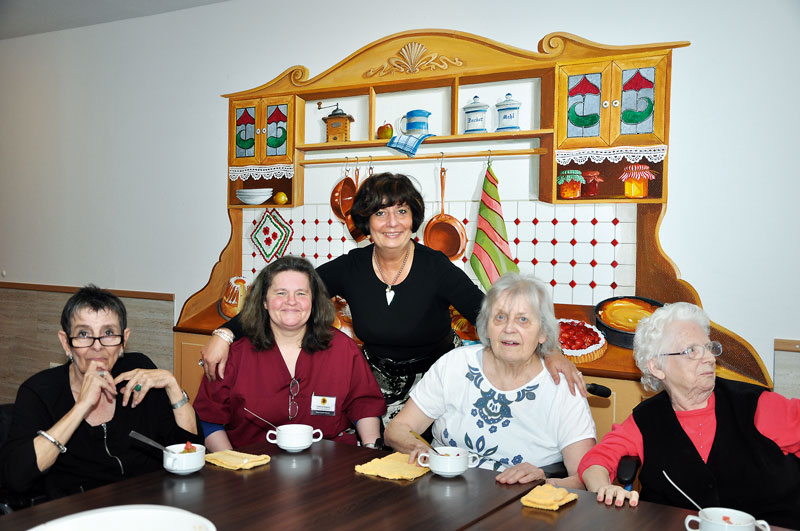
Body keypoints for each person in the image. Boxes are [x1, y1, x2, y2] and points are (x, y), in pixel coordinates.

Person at [201, 173, 584, 422]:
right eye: (381, 213)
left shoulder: (435, 266)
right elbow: (284, 299)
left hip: (437, 379)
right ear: (366, 221)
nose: (392, 223)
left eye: (401, 211)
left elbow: (493, 315)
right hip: (375, 382)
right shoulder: (350, 267)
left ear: (413, 217)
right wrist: (224, 334)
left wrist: (549, 351)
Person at [579, 302, 800, 528]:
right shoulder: (646, 420)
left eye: (709, 348)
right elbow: (595, 461)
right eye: (692, 351)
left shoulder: (756, 405)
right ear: (656, 366)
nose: (710, 358)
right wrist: (603, 488)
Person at [384, 273, 596, 487]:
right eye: (500, 317)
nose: (509, 328)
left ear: (543, 333)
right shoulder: (455, 365)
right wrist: (419, 449)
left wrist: (543, 481)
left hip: (519, 506)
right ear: (486, 326)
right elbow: (397, 428)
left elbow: (586, 478)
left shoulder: (562, 386)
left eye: (523, 319)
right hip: (443, 492)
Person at [0, 285, 202, 500]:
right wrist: (81, 407)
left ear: (123, 340)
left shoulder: (138, 373)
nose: (97, 346)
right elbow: (17, 478)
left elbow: (191, 449)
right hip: (78, 513)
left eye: (108, 333)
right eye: (84, 334)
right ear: (66, 343)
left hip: (150, 504)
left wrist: (172, 387)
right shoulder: (39, 391)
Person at [193, 255, 385, 451]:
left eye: (301, 293)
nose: (291, 301)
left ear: (314, 301)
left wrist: (370, 449)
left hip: (331, 468)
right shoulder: (233, 355)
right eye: (281, 293)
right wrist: (232, 463)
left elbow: (365, 405)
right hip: (252, 471)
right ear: (264, 302)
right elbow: (209, 419)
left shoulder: (343, 349)